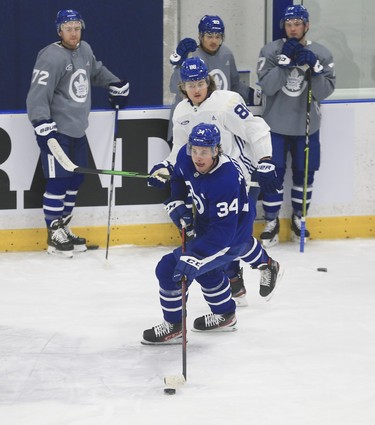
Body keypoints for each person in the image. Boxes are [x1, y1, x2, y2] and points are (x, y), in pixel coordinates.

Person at [148, 56, 281, 306]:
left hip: (239, 177)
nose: (196, 89)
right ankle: (246, 273)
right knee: (216, 234)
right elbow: (179, 147)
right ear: (182, 86)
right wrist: (166, 166)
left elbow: (255, 127)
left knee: (231, 235)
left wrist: (265, 158)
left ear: (208, 81)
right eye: (190, 84)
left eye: (200, 82)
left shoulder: (226, 102)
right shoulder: (182, 111)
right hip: (208, 179)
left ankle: (248, 273)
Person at [142, 123, 283, 344]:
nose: (198, 157)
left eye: (205, 152)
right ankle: (225, 315)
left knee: (170, 269)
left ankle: (175, 326)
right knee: (207, 271)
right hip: (211, 223)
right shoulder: (186, 156)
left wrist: (195, 255)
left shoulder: (223, 180)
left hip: (231, 236)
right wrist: (178, 201)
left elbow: (222, 237)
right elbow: (179, 177)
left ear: (217, 150)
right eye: (194, 150)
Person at [26, 9, 129, 258]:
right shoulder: (51, 57)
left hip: (77, 130)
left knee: (75, 180)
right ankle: (53, 233)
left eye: (77, 27)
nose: (74, 33)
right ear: (59, 31)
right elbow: (38, 92)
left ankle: (63, 226)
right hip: (56, 132)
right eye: (68, 28)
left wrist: (113, 83)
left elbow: (95, 71)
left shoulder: (85, 50)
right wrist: (41, 121)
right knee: (58, 181)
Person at [256, 4, 336, 247]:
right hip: (275, 126)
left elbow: (324, 92)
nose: (293, 29)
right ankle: (271, 222)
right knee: (273, 176)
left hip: (306, 128)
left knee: (304, 174)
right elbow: (267, 88)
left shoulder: (321, 53)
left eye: (297, 24)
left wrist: (315, 70)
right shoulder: (270, 51)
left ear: (307, 25)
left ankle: (299, 218)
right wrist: (282, 65)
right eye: (289, 24)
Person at [167, 14, 258, 141]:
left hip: (218, 124)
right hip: (188, 123)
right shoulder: (191, 55)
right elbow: (174, 87)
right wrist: (179, 63)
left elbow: (234, 84)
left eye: (218, 37)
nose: (214, 41)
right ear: (200, 36)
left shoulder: (226, 54)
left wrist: (253, 95)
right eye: (209, 36)